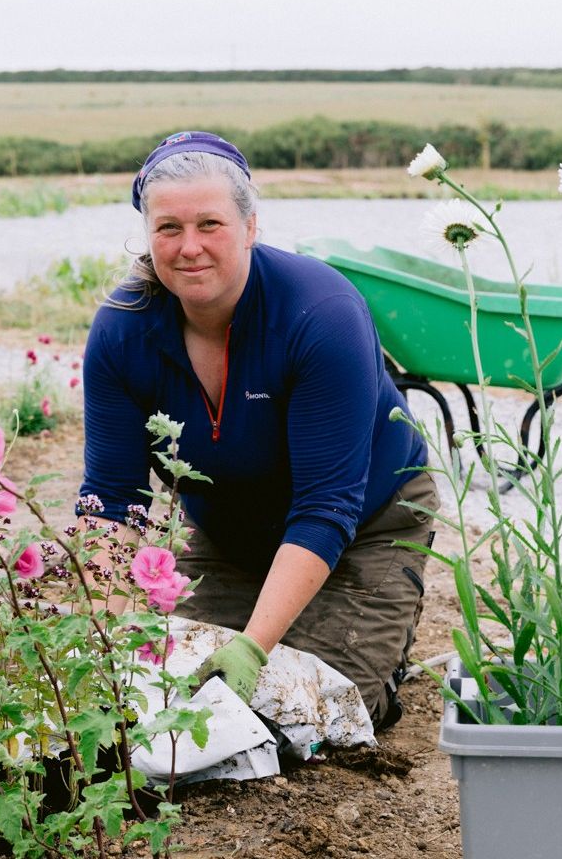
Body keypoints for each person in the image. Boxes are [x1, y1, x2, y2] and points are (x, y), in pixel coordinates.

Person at [79, 131, 439, 731]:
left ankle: (379, 651)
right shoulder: (122, 332)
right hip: (231, 537)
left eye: (210, 224)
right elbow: (112, 503)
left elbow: (328, 505)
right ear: (147, 235)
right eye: (168, 228)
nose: (189, 247)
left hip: (366, 525)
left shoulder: (320, 312)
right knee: (171, 688)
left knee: (317, 706)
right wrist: (100, 638)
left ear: (250, 227)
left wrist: (252, 647)